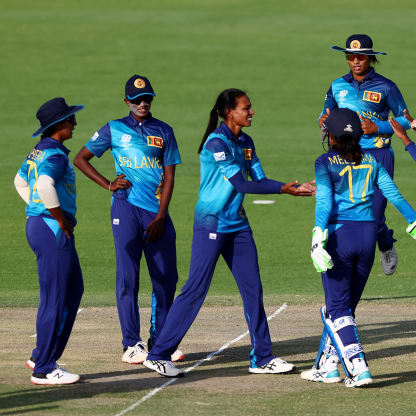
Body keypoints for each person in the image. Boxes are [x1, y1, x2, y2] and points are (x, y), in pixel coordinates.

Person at [143, 88, 316, 377]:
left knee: (253, 290)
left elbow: (259, 177)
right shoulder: (216, 143)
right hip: (211, 223)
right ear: (229, 112)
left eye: (250, 107)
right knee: (195, 289)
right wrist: (284, 189)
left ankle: (262, 357)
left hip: (237, 225)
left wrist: (293, 187)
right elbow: (242, 184)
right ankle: (159, 354)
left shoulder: (246, 141)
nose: (251, 112)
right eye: (245, 108)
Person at [73, 75, 184, 364]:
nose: (142, 103)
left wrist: (161, 214)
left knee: (166, 278)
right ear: (126, 102)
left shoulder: (165, 131)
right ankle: (131, 344)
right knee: (128, 277)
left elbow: (170, 176)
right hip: (125, 209)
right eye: (136, 100)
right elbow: (81, 158)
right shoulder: (113, 129)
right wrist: (108, 183)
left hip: (156, 213)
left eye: (147, 98)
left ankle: (161, 343)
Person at [302, 108, 416, 387]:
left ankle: (358, 367)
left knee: (337, 310)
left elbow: (324, 201)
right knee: (344, 308)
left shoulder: (324, 162)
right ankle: (328, 366)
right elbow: (393, 194)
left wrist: (318, 237)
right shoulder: (372, 161)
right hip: (367, 238)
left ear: (333, 137)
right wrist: (413, 220)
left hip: (340, 237)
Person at [319, 34, 412, 275]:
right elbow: (328, 108)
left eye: (360, 56)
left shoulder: (386, 86)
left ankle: (385, 244)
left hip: (378, 153)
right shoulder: (337, 85)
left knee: (375, 211)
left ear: (370, 58)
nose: (356, 61)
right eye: (351, 56)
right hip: (346, 154)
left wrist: (377, 127)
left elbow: (406, 118)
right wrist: (324, 118)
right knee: (349, 210)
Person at [14, 97, 85, 385]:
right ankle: (43, 367)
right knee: (55, 298)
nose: (75, 124)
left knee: (72, 291)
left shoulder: (38, 151)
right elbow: (43, 185)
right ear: (58, 125)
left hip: (40, 225)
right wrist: (56, 216)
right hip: (51, 230)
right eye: (70, 119)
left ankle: (41, 353)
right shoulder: (55, 155)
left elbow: (20, 182)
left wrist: (36, 210)